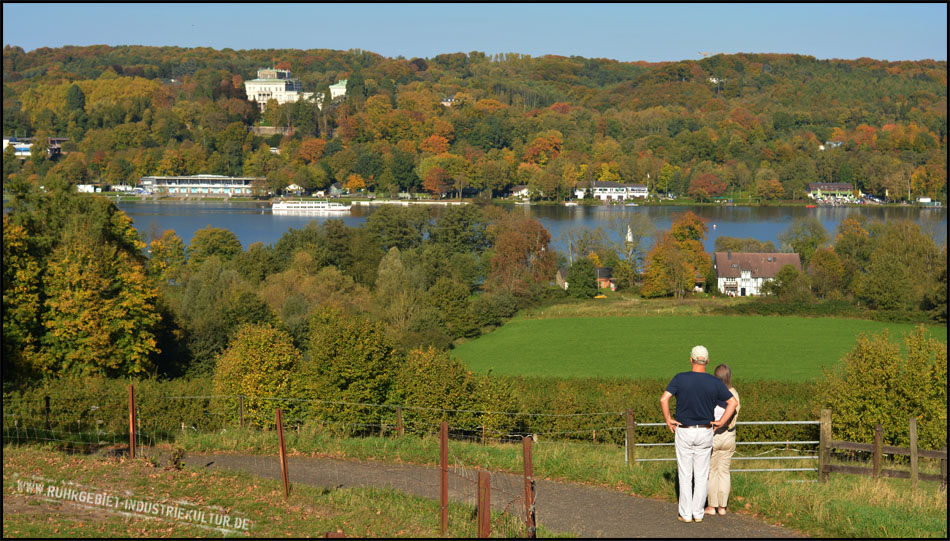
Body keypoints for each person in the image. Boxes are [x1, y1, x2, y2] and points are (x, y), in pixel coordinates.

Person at [660, 345, 737, 524]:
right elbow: (732, 402)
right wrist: (722, 422)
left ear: (691, 359)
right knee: (702, 475)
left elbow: (664, 398)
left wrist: (668, 418)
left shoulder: (680, 378)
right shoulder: (715, 382)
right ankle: (698, 513)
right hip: (705, 430)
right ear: (707, 361)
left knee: (685, 473)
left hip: (684, 430)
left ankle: (685, 513)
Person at [705, 363, 740, 517]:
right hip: (729, 435)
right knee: (724, 472)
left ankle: (711, 506)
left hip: (713, 434)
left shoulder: (711, 392)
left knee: (712, 471)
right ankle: (723, 507)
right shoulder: (734, 394)